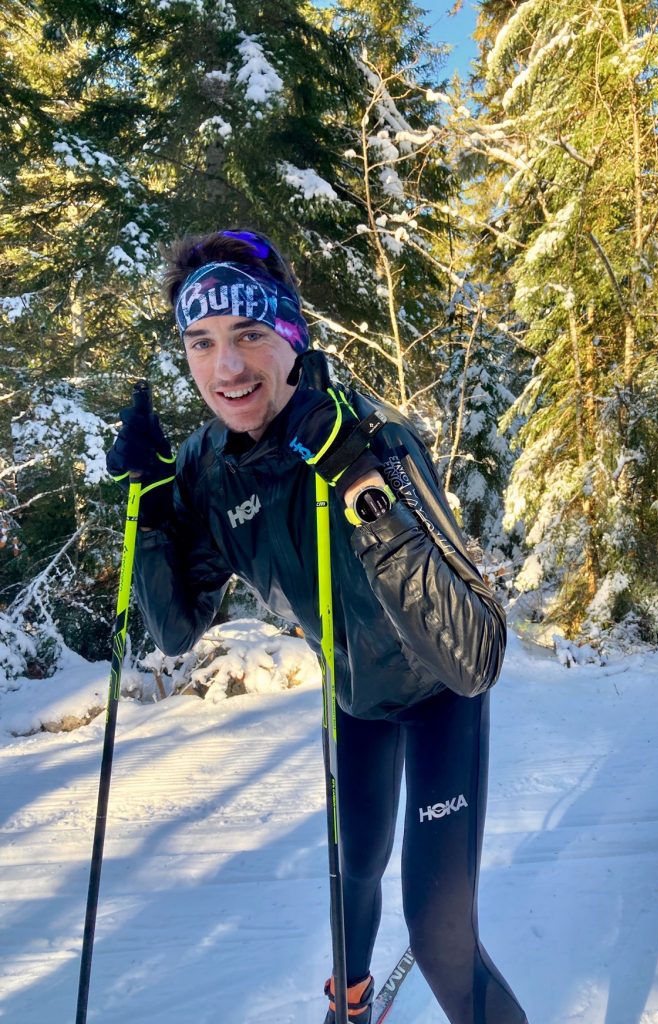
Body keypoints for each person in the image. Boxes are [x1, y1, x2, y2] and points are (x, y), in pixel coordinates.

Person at [107, 228, 529, 1024]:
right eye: (202, 343)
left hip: (441, 698)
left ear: (291, 336)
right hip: (355, 698)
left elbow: (474, 656)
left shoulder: (374, 438)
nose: (227, 368)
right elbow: (171, 631)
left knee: (440, 938)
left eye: (249, 335)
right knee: (353, 879)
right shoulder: (204, 466)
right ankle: (352, 1003)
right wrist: (154, 507)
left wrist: (362, 487)